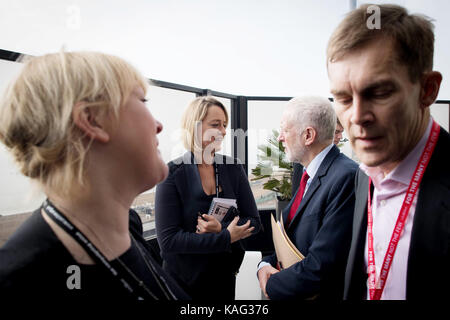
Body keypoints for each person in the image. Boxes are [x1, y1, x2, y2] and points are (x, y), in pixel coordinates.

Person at [0, 51, 189, 300]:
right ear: (92, 120)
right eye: (142, 101)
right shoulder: (17, 283)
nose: (159, 125)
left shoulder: (128, 227)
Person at [327, 4, 449, 300]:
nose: (356, 116)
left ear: (427, 90)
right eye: (343, 98)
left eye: (379, 93)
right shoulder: (362, 177)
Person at [155, 96, 262, 300]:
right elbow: (168, 242)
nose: (223, 131)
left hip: (223, 279)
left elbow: (255, 222)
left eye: (224, 125)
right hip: (182, 285)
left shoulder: (233, 168)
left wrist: (222, 229)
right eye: (215, 125)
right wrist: (226, 237)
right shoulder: (171, 173)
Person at [257, 95, 358, 300]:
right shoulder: (305, 174)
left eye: (285, 130)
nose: (280, 137)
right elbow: (293, 237)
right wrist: (265, 265)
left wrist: (271, 284)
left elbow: (322, 266)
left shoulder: (345, 177)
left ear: (308, 135)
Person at [292, 118, 344, 195]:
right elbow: (296, 197)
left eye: (341, 132)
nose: (341, 137)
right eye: (336, 132)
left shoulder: (342, 169)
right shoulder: (300, 162)